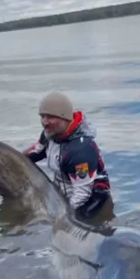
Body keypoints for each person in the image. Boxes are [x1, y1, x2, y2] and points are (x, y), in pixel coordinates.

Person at [22, 91, 113, 221]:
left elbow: (82, 194)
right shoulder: (51, 133)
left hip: (91, 201)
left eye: (51, 117)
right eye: (42, 116)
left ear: (65, 118)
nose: (45, 122)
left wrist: (61, 216)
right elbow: (37, 152)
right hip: (62, 190)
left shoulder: (81, 151)